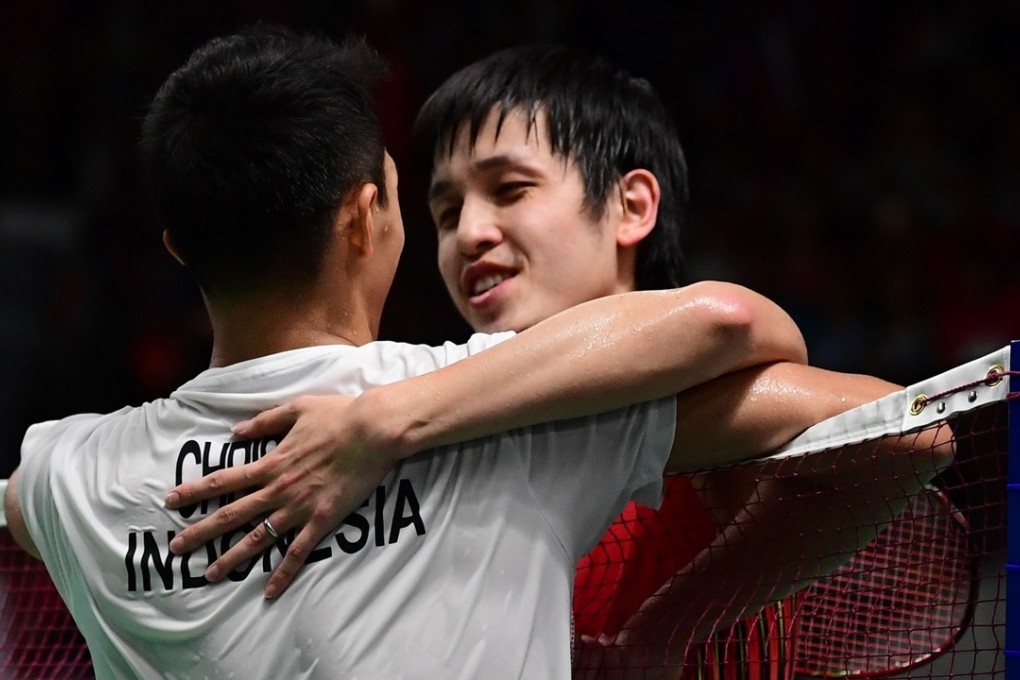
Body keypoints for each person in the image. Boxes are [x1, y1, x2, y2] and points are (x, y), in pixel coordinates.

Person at [0, 25, 856, 679]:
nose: (472, 234)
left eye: (510, 190)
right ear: (368, 218)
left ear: (178, 247)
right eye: (440, 208)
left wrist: (386, 421)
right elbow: (754, 335)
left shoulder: (66, 472)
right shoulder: (507, 434)